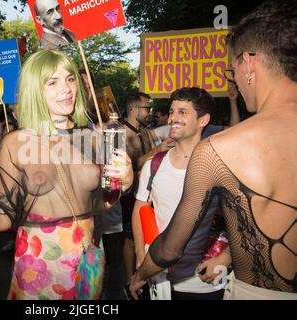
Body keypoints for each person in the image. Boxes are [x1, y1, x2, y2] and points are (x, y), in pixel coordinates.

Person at [130, 0, 297, 300]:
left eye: (233, 66)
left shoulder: (219, 150)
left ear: (248, 63)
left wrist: (139, 275)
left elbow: (171, 248)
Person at [0, 49, 133, 300]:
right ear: (34, 90)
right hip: (39, 265)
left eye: (70, 79)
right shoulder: (15, 143)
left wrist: (124, 182)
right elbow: (6, 214)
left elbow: (104, 201)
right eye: (53, 82)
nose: (67, 89)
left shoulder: (94, 138)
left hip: (87, 259)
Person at [132, 87, 229, 300]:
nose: (173, 118)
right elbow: (140, 207)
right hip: (158, 278)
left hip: (203, 281)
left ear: (203, 120)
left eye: (183, 112)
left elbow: (242, 219)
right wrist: (141, 254)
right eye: (172, 110)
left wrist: (226, 258)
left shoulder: (220, 167)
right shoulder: (154, 165)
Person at [119, 92, 157, 284]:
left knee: (146, 232)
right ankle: (128, 280)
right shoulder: (119, 133)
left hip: (148, 190)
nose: (149, 111)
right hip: (129, 192)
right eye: (146, 107)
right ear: (133, 109)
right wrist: (156, 151)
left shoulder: (145, 131)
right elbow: (128, 166)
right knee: (130, 237)